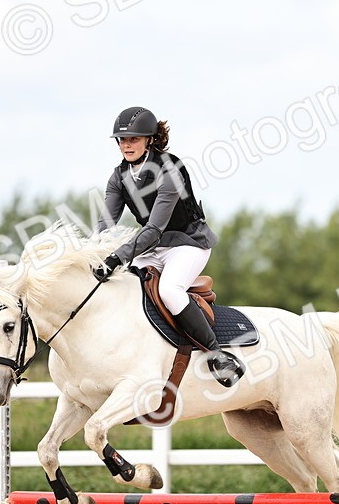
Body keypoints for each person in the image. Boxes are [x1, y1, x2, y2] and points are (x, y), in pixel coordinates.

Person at [93, 106, 245, 387]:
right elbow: (106, 223)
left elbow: (153, 229)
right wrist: (92, 252)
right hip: (154, 248)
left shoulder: (169, 170)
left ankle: (218, 356)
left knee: (170, 291)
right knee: (122, 286)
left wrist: (118, 256)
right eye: (122, 140)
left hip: (188, 244)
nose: (126, 145)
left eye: (134, 139)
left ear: (150, 139)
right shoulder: (119, 176)